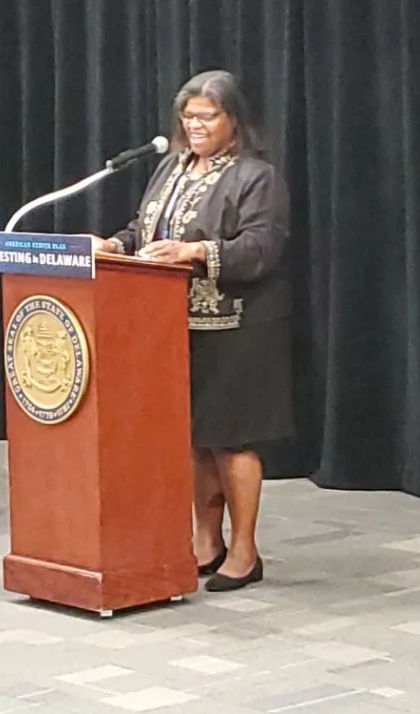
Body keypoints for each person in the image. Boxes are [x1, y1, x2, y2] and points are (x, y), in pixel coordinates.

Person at [91, 70, 293, 592]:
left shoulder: (255, 176)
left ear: (233, 121)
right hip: (169, 324)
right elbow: (145, 232)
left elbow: (263, 248)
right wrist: (113, 245)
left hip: (237, 327)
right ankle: (207, 541)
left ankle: (245, 551)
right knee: (193, 440)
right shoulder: (170, 167)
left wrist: (198, 252)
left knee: (231, 441)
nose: (195, 126)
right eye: (189, 116)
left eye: (208, 116)